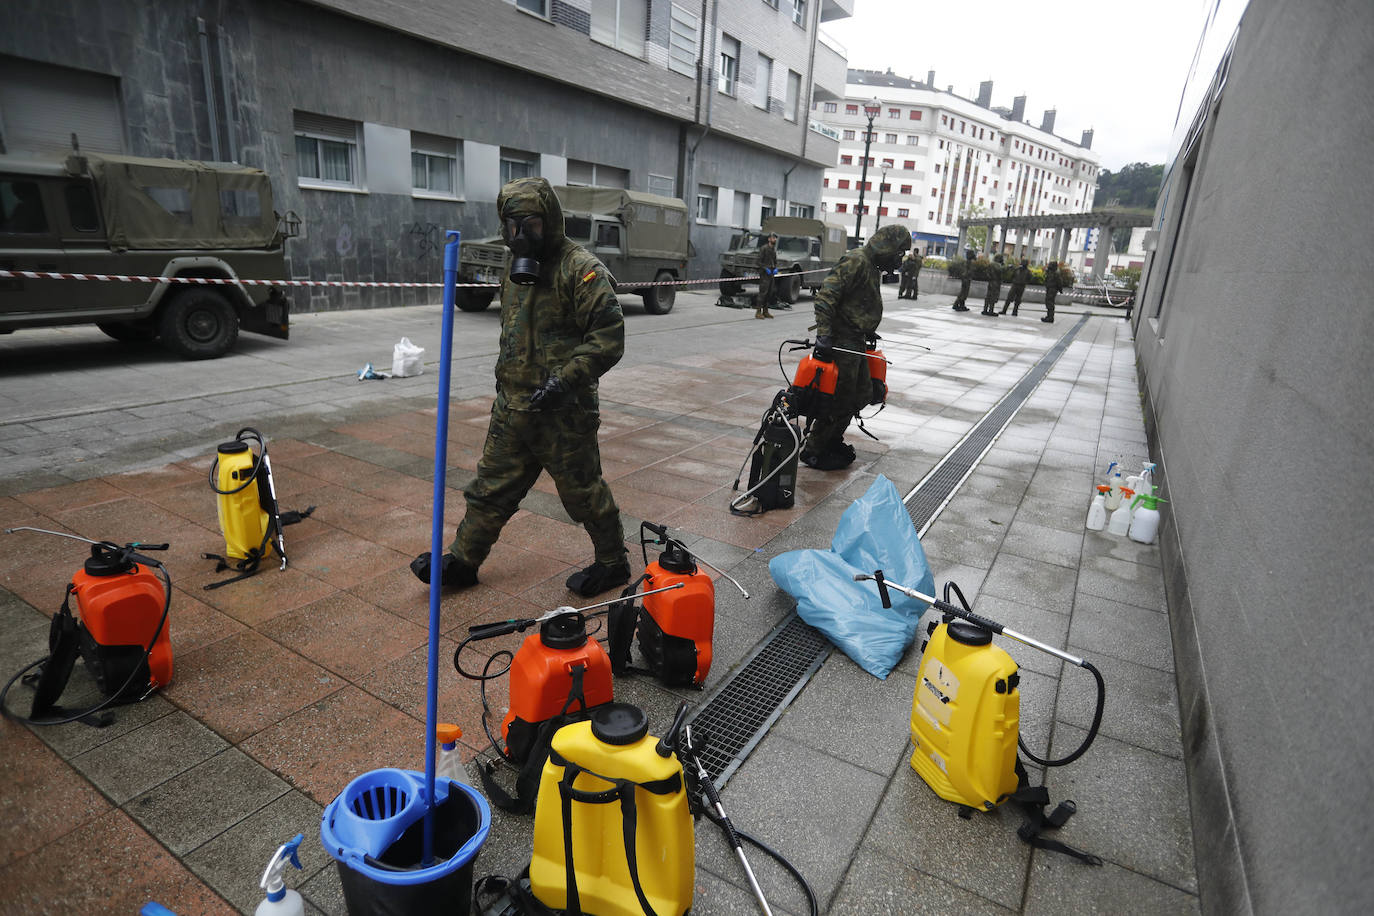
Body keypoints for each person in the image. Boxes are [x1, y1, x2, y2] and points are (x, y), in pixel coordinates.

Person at [412, 177, 630, 597]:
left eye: (530, 224)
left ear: (550, 220)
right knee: (490, 488)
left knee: (583, 492)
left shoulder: (580, 270)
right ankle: (464, 559)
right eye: (511, 226)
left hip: (563, 411)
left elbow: (608, 338)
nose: (519, 235)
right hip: (513, 406)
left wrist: (565, 381)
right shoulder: (513, 272)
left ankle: (612, 562)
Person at [800, 223, 911, 471]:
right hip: (842, 341)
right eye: (899, 252)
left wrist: (866, 327)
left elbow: (856, 302)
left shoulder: (871, 266)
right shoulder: (857, 261)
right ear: (888, 247)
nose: (899, 258)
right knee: (840, 398)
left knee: (861, 394)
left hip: (855, 340)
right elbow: (826, 296)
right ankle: (815, 449)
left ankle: (832, 439)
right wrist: (824, 335)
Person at [755, 232, 778, 319]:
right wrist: (765, 268)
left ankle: (765, 311)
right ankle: (758, 312)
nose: (774, 239)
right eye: (773, 238)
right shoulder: (764, 248)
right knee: (763, 293)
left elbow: (775, 261)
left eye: (775, 238)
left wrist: (775, 268)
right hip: (765, 274)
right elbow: (758, 262)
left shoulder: (773, 249)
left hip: (771, 274)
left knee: (769, 293)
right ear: (769, 239)